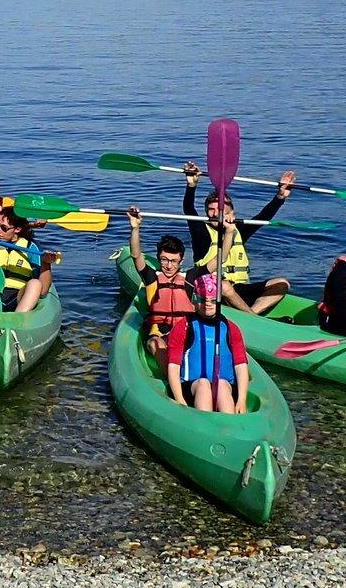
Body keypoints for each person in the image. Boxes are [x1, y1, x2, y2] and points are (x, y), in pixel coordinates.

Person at [182, 161, 295, 315]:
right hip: (213, 290)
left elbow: (263, 217)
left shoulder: (238, 230)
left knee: (282, 284)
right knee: (225, 285)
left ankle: (252, 314)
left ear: (231, 213)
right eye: (210, 210)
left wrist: (280, 196)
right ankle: (252, 318)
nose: (215, 214)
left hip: (240, 288)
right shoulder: (202, 232)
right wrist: (191, 186)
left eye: (220, 210)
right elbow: (189, 210)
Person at [165, 274, 249, 414]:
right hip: (191, 387)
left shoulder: (230, 328)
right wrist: (179, 400)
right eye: (202, 299)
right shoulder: (184, 327)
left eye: (212, 300)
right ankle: (205, 421)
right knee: (203, 384)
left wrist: (241, 399)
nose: (207, 304)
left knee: (221, 384)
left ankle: (228, 423)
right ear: (195, 301)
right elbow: (173, 366)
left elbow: (240, 365)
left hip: (225, 386)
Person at [126, 213, 196, 364]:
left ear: (181, 260)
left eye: (174, 261)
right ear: (158, 258)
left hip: (184, 331)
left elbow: (219, 259)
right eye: (164, 260)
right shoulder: (152, 277)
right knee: (155, 344)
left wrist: (229, 231)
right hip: (159, 333)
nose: (169, 266)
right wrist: (135, 228)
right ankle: (171, 378)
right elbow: (136, 255)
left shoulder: (189, 278)